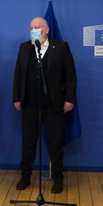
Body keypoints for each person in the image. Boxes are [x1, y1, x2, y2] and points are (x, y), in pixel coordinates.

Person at [13, 17, 77, 194]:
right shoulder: (24, 48)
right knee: (28, 143)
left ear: (47, 30)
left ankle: (57, 177)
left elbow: (70, 77)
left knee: (55, 143)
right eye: (32, 27)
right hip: (30, 105)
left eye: (38, 27)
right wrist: (16, 98)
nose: (34, 30)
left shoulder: (61, 47)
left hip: (53, 106)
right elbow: (18, 75)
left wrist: (69, 99)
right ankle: (25, 176)